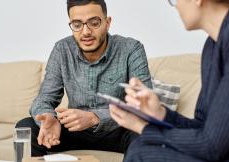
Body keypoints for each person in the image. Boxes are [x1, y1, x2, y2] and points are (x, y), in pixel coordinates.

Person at [109, 0, 229, 161]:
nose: (174, 5)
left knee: (142, 153)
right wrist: (160, 113)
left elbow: (212, 146)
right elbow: (202, 127)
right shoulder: (212, 46)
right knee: (139, 146)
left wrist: (142, 127)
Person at [15, 0, 153, 156]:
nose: (85, 32)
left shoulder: (131, 49)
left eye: (94, 23)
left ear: (107, 23)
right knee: (25, 126)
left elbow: (144, 106)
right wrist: (49, 117)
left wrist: (96, 117)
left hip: (118, 130)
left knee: (147, 132)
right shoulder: (62, 49)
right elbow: (44, 99)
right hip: (74, 131)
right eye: (77, 24)